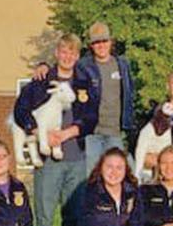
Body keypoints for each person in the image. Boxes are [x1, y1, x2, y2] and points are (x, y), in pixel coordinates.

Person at [14, 34, 100, 226]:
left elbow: (91, 118)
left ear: (77, 56)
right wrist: (38, 133)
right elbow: (21, 111)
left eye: (72, 52)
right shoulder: (41, 81)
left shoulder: (85, 83)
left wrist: (65, 134)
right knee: (44, 215)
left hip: (76, 157)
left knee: (74, 214)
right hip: (48, 159)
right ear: (56, 53)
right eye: (63, 51)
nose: (67, 56)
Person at [35, 21, 134, 177]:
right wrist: (44, 67)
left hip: (115, 132)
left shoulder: (122, 64)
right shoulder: (83, 65)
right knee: (92, 177)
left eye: (104, 41)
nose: (101, 45)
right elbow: (62, 65)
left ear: (111, 42)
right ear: (91, 45)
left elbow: (129, 94)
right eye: (96, 42)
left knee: (118, 176)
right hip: (91, 133)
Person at [71, 148, 151, 226]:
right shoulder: (88, 190)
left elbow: (138, 223)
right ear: (100, 168)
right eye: (109, 167)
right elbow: (85, 224)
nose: (114, 172)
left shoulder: (132, 191)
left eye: (119, 168)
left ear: (125, 171)